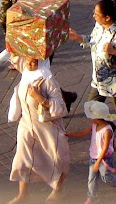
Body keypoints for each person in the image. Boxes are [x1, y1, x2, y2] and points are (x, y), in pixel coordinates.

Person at [69, 0, 116, 158]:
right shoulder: (98, 27)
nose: (94, 16)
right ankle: (109, 128)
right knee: (91, 107)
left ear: (108, 17)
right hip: (99, 79)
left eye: (96, 14)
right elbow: (93, 41)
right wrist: (79, 38)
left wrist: (114, 51)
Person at [8, 57, 69, 203]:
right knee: (23, 158)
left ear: (40, 62)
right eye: (27, 60)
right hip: (26, 125)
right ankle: (23, 194)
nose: (29, 64)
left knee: (55, 158)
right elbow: (11, 56)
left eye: (34, 61)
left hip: (47, 126)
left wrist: (39, 98)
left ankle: (59, 190)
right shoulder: (25, 75)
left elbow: (60, 106)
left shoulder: (47, 79)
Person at [67, 101, 116, 202]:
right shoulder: (94, 126)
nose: (90, 118)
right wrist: (70, 134)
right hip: (93, 157)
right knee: (91, 179)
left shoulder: (107, 131)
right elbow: (82, 133)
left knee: (106, 178)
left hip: (104, 159)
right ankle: (92, 198)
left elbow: (105, 149)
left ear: (98, 118)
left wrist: (98, 162)